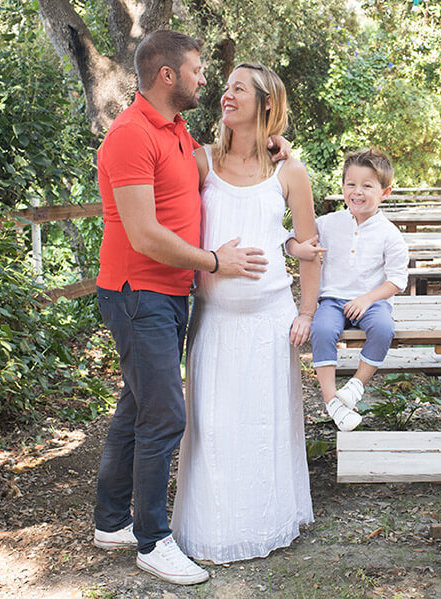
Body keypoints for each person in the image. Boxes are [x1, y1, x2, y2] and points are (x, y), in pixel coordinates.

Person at [92, 31, 289, 584]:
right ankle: (153, 540)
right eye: (200, 70)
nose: (207, 80)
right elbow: (144, 234)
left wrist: (277, 147)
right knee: (166, 414)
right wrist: (212, 262)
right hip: (139, 293)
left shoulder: (175, 130)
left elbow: (227, 161)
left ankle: (112, 520)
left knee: (138, 403)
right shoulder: (130, 136)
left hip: (169, 294)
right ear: (168, 76)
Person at [169, 62, 319, 564]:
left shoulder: (289, 171)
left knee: (264, 425)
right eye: (226, 87)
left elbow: (311, 247)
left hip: (270, 321)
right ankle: (210, 528)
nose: (226, 95)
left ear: (264, 103)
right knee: (211, 426)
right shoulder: (202, 161)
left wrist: (308, 311)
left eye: (238, 89)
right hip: (213, 319)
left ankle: (268, 520)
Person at [287, 148, 408, 431]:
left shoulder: (389, 233)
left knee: (383, 328)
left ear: (385, 192)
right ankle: (332, 400)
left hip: (372, 300)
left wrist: (368, 298)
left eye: (367, 186)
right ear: (342, 187)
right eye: (351, 184)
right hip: (333, 299)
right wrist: (297, 248)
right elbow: (292, 240)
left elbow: (397, 280)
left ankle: (356, 386)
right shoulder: (328, 224)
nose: (357, 191)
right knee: (322, 329)